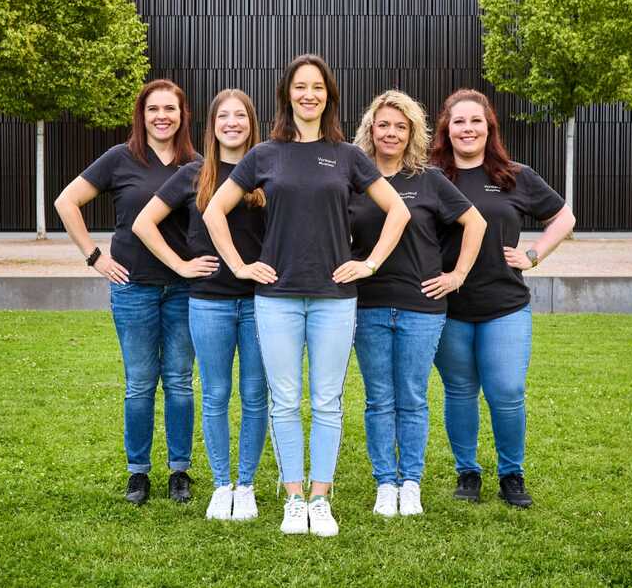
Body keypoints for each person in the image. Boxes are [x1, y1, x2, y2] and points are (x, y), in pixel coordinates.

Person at [203, 54, 410, 537]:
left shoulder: (349, 157)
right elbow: (215, 211)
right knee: (284, 400)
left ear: (329, 96)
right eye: (300, 87)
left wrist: (370, 262)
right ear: (287, 95)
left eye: (318, 87)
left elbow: (397, 212)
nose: (309, 94)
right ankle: (293, 498)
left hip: (335, 297)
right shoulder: (265, 154)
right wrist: (239, 264)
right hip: (275, 296)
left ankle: (321, 498)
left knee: (327, 401)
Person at [54, 79, 200, 506]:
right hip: (133, 287)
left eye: (170, 109)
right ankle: (138, 473)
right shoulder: (121, 158)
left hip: (183, 289)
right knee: (139, 384)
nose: (161, 116)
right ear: (142, 114)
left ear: (182, 115)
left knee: (179, 382)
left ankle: (179, 471)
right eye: (153, 109)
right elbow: (67, 202)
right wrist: (94, 255)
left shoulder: (195, 163)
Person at [430, 89, 576, 508]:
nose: (467, 129)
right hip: (449, 308)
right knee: (459, 391)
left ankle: (512, 474)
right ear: (447, 129)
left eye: (476, 121)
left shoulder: (514, 175)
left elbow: (564, 217)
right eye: (459, 121)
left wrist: (533, 254)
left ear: (489, 127)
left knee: (507, 391)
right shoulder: (432, 176)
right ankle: (468, 473)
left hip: (504, 306)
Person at [132, 89, 268, 521]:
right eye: (223, 116)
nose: (232, 123)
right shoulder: (195, 173)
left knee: (253, 394)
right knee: (215, 394)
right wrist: (181, 264)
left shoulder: (267, 171)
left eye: (240, 116)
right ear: (211, 126)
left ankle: (245, 485)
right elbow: (143, 223)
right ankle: (221, 484)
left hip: (260, 302)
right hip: (208, 301)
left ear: (251, 123)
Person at [349, 90, 486, 517]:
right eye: (384, 124)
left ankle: (410, 483)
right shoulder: (354, 179)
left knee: (411, 397)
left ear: (413, 134)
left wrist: (457, 275)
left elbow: (475, 223)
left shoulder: (428, 180)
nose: (391, 133)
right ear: (371, 129)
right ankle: (384, 483)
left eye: (401, 127)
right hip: (367, 305)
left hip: (421, 307)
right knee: (377, 399)